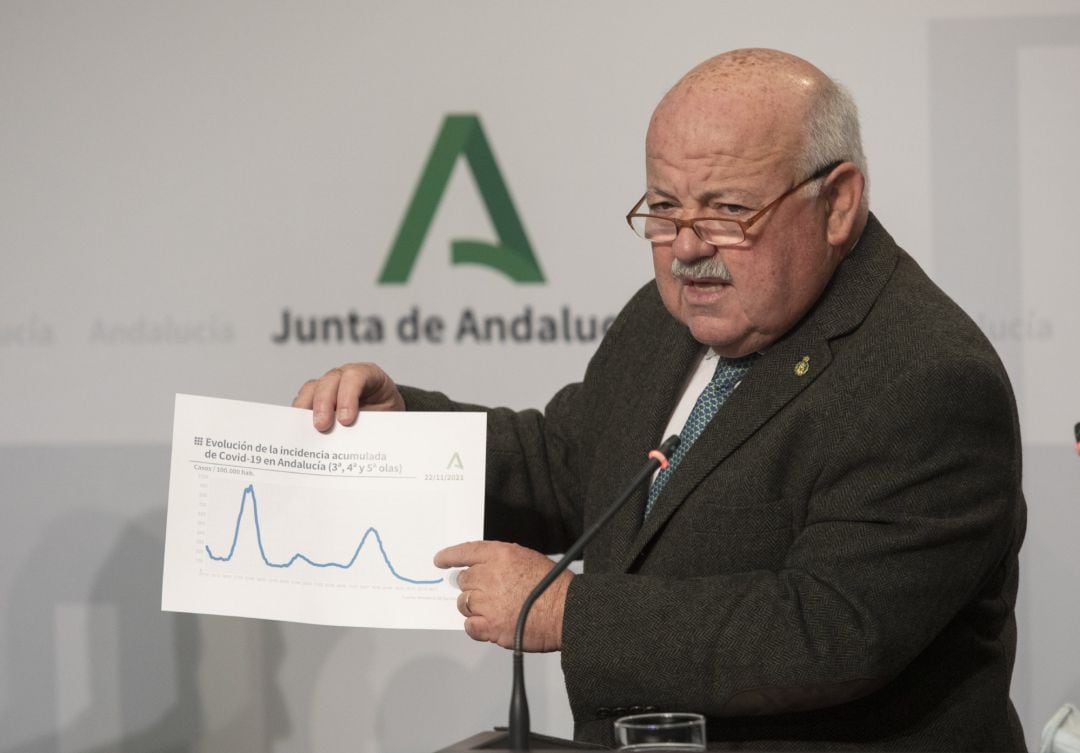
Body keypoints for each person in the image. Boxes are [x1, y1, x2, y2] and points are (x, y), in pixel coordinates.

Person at [293, 48, 1026, 751]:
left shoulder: (928, 377)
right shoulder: (667, 315)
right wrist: (404, 432)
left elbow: (827, 628)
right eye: (664, 206)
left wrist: (568, 612)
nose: (683, 246)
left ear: (836, 203)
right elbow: (572, 463)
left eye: (727, 208)